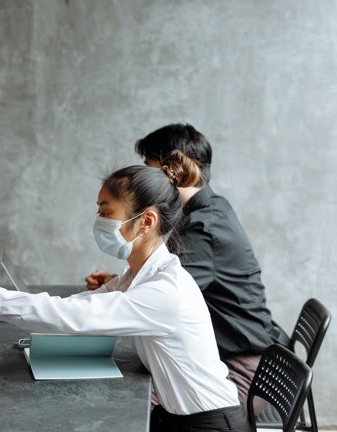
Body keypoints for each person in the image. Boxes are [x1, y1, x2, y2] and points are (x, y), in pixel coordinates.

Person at [0, 154, 251, 432]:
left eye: (106, 212)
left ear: (145, 222)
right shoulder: (141, 275)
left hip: (209, 423)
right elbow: (79, 304)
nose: (99, 220)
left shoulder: (165, 290)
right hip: (178, 417)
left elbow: (70, 317)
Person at [85, 123, 288, 414]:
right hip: (242, 357)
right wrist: (121, 281)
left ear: (172, 167)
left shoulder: (206, 226)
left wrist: (121, 287)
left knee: (126, 406)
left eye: (149, 166)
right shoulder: (207, 209)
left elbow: (161, 294)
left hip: (245, 372)